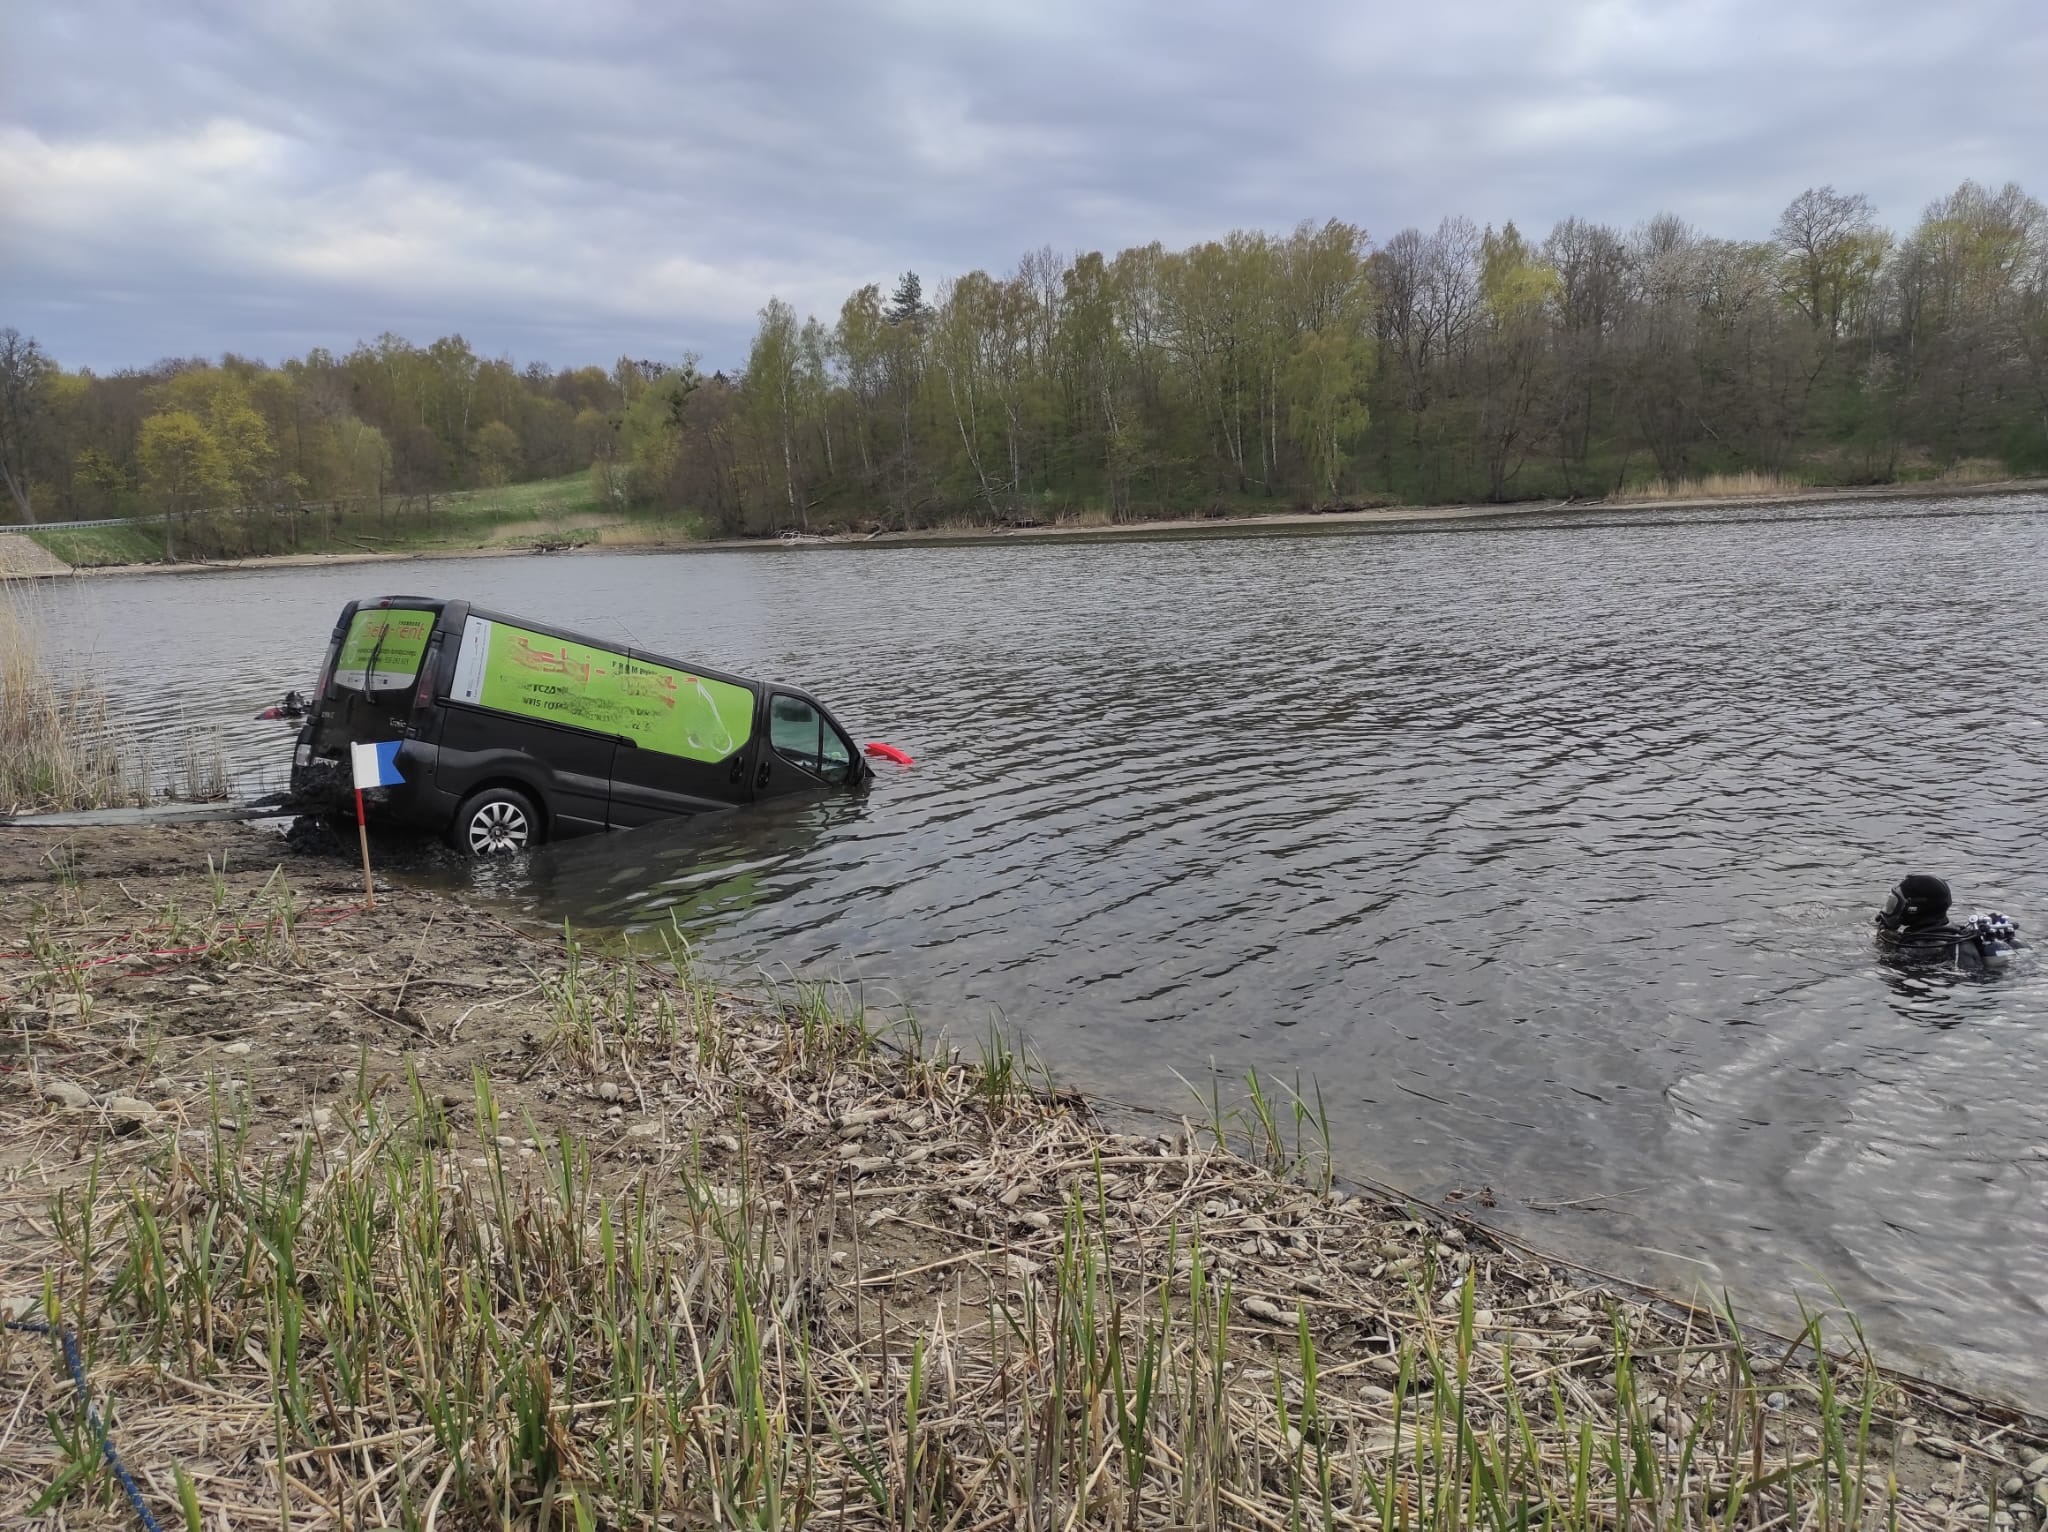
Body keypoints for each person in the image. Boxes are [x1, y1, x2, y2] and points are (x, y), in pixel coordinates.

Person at [1873, 874, 2022, 972]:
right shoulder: (1956, 932)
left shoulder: (1917, 948)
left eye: (1895, 903)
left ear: (1913, 908)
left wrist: (1882, 938)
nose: (1891, 909)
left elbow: (1887, 965)